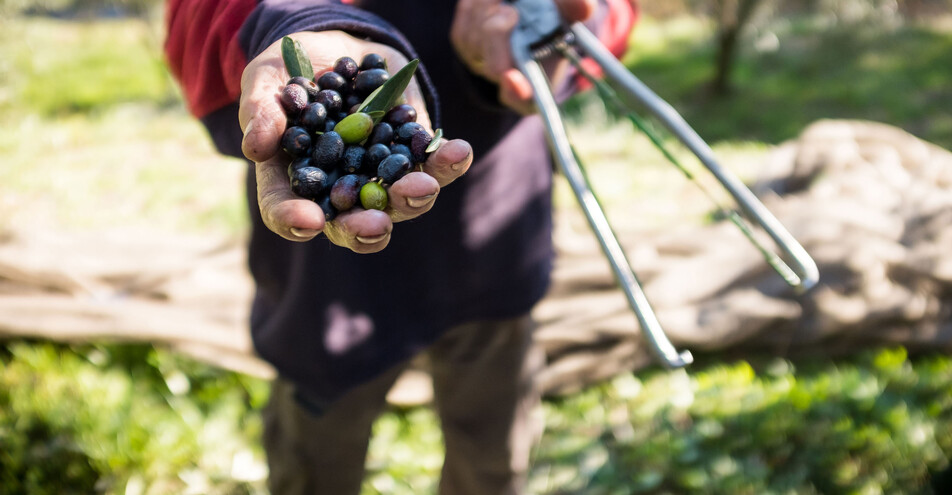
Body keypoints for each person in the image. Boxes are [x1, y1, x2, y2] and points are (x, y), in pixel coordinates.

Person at [163, 0, 636, 493]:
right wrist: (295, 21)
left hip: (493, 245)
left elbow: (610, 16)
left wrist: (550, 29)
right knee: (315, 464)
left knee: (492, 462)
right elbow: (195, 23)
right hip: (328, 287)